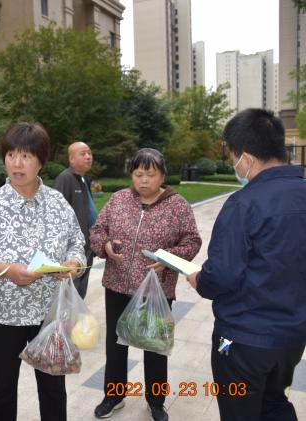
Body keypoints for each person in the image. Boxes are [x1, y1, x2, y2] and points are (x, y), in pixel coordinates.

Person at [186, 109, 306, 421]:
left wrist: (201, 280)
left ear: (247, 158)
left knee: (240, 412)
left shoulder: (244, 204)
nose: (235, 166)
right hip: (292, 337)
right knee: (274, 404)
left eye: (233, 159)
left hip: (244, 340)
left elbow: (222, 274)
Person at [0, 122, 86, 421]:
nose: (17, 163)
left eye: (26, 156)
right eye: (11, 155)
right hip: (4, 313)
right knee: (3, 387)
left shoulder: (57, 203)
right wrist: (7, 271)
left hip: (50, 312)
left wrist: (73, 264)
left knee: (53, 385)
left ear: (40, 161)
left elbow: (77, 242)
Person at [90, 148, 201, 421]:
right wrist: (105, 245)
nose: (144, 180)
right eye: (138, 174)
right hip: (117, 285)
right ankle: (114, 396)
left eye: (150, 174)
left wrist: (168, 258)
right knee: (116, 345)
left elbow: (192, 241)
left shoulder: (177, 205)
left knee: (154, 347)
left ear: (162, 176)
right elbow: (97, 230)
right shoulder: (118, 200)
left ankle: (156, 401)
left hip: (156, 289)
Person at [54, 141, 98, 298]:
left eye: (89, 153)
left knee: (81, 291)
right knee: (71, 291)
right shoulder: (65, 178)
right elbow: (57, 213)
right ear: (71, 159)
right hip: (73, 249)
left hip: (87, 245)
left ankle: (77, 313)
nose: (88, 157)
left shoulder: (85, 179)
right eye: (83, 154)